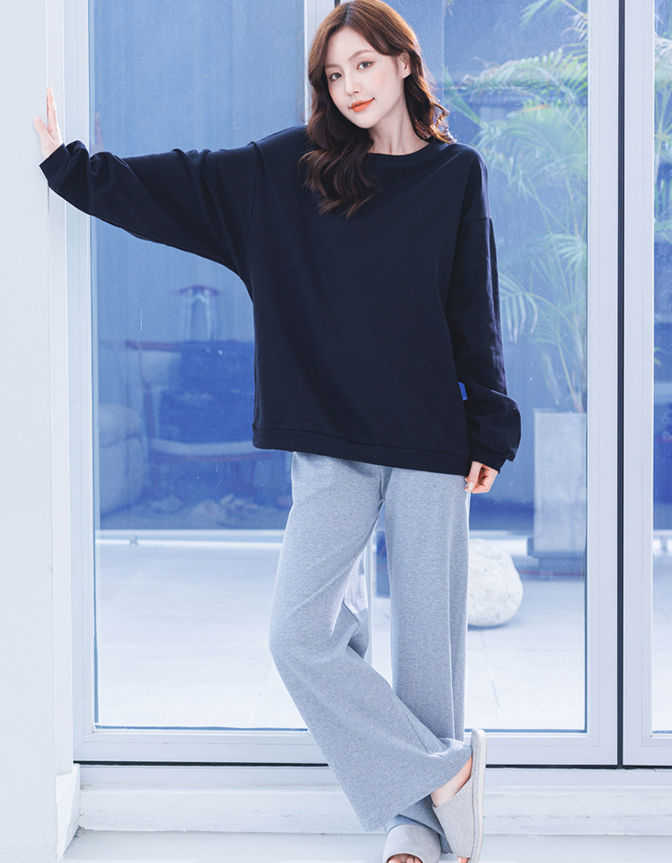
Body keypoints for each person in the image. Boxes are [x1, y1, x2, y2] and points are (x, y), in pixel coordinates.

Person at [34, 1, 521, 861]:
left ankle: (415, 824)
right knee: (298, 634)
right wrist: (75, 169)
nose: (350, 86)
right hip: (329, 438)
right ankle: (448, 772)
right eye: (334, 74)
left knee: (428, 654)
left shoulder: (456, 173)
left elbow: (470, 304)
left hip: (430, 439)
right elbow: (184, 183)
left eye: (364, 64)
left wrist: (489, 420)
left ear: (404, 64)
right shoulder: (295, 170)